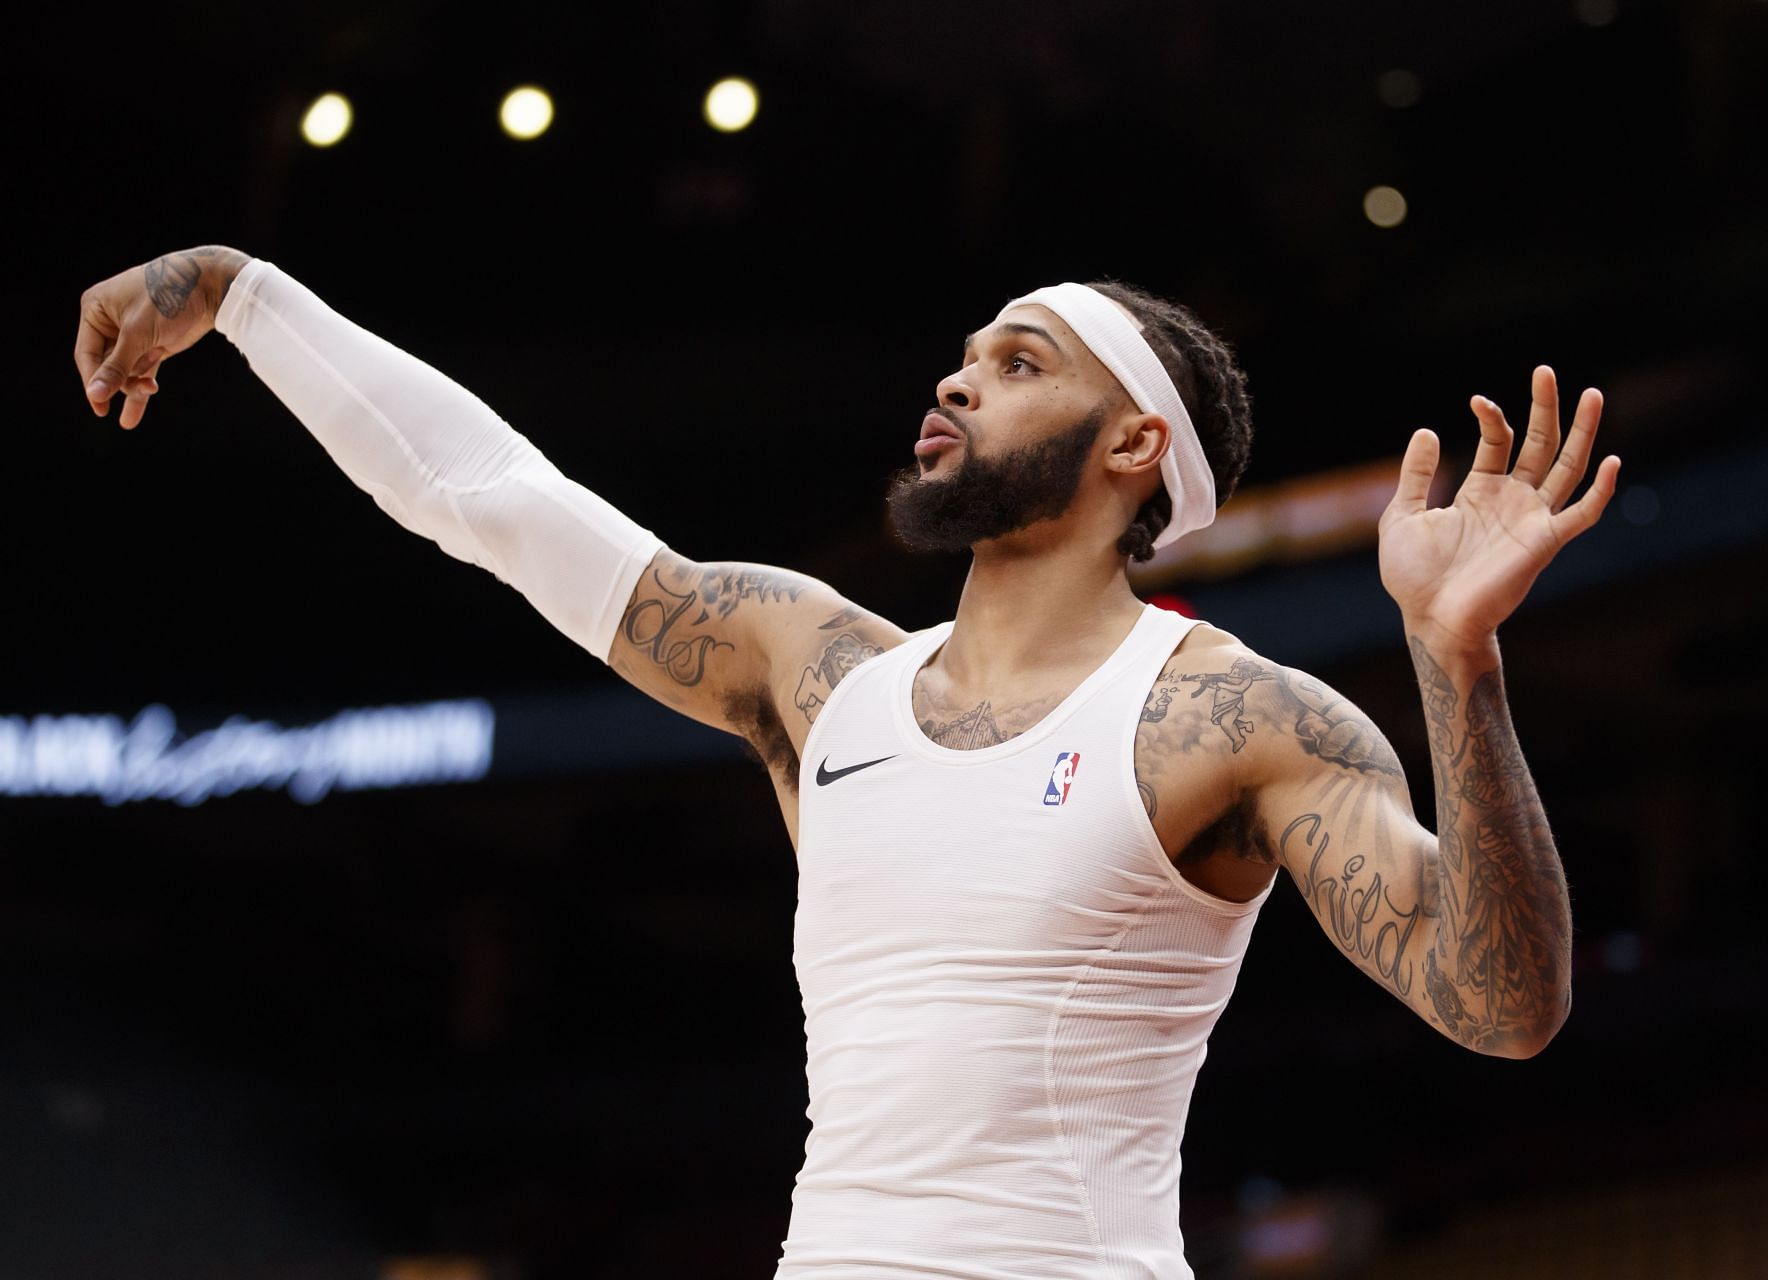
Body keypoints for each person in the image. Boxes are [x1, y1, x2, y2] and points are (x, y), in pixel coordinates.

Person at [73, 246, 1618, 1278]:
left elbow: (1502, 1006)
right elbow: (492, 498)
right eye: (963, 358)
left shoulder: (1232, 715)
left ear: (1136, 443)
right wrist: (245, 294)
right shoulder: (817, 673)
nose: (953, 383)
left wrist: (1457, 667)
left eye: (1014, 364)